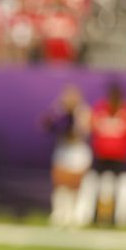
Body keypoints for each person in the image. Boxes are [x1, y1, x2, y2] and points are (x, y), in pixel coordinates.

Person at [79, 82, 126, 227]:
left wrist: (125, 151)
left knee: (116, 187)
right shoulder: (100, 108)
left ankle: (114, 217)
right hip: (102, 154)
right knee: (96, 185)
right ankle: (94, 216)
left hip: (118, 156)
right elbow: (93, 127)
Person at [41, 85, 92, 228]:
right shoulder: (58, 111)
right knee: (60, 184)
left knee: (74, 185)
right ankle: (59, 213)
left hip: (77, 151)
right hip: (63, 150)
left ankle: (74, 213)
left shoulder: (83, 112)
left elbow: (80, 134)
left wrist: (70, 124)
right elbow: (46, 124)